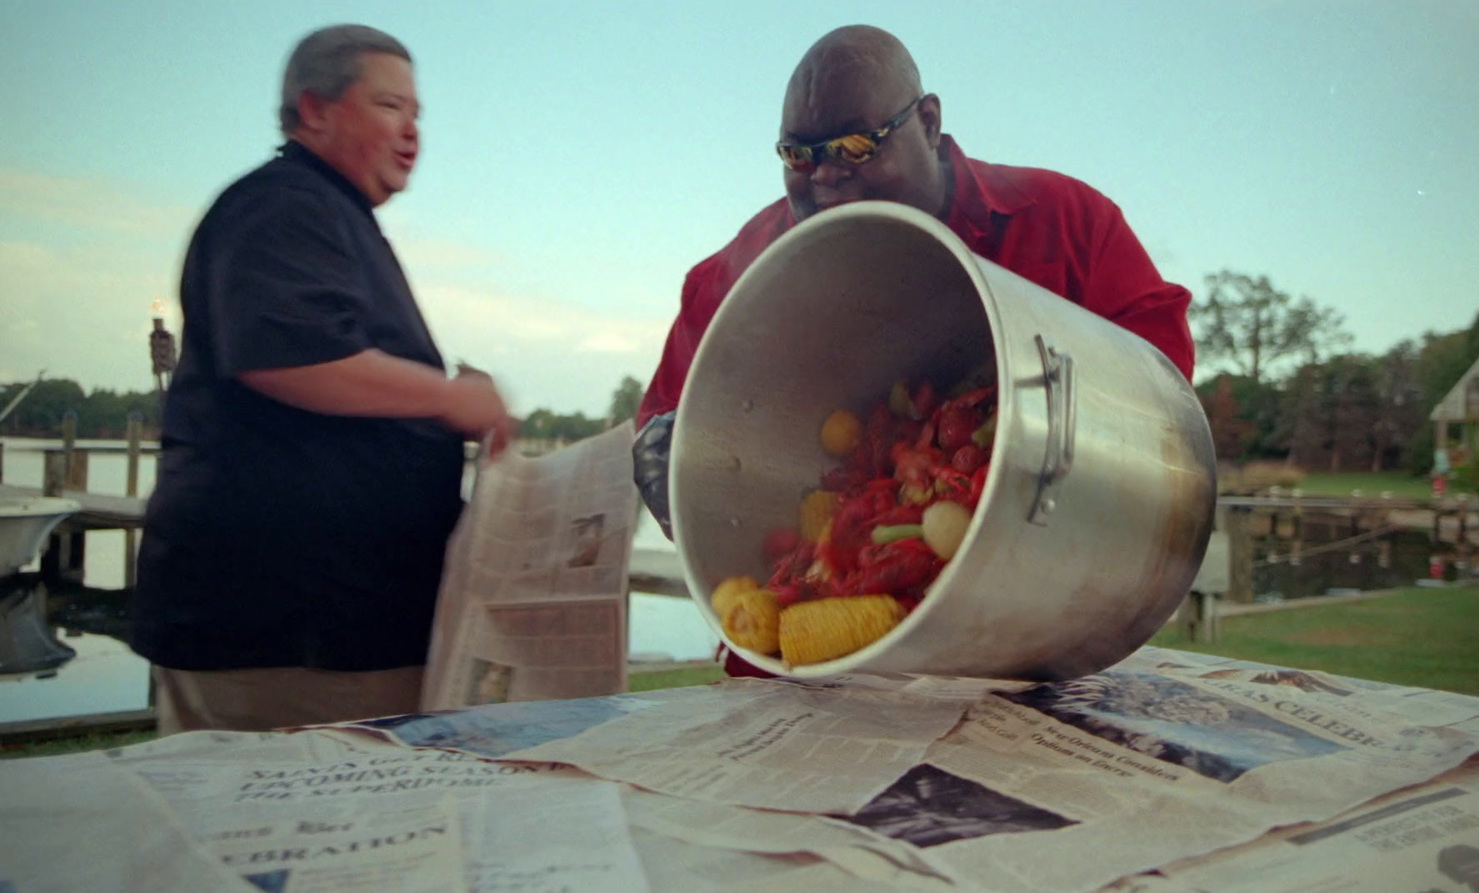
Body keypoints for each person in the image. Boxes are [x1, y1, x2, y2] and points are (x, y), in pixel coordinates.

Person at [632, 25, 1195, 677]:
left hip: (1020, 652)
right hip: (810, 684)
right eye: (800, 153)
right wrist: (663, 462)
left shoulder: (1068, 221)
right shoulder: (732, 278)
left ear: (928, 122)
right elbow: (672, 437)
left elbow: (1163, 389)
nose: (828, 176)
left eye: (856, 145)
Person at [132, 24, 518, 734]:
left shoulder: (332, 217)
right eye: (389, 106)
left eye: (417, 114)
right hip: (280, 640)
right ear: (315, 110)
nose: (411, 132)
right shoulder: (282, 203)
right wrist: (451, 399)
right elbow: (287, 356)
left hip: (341, 633)